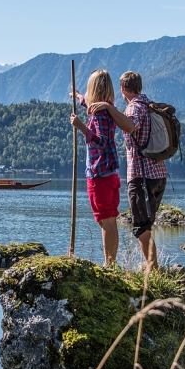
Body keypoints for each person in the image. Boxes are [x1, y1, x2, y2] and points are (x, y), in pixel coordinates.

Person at [92, 71, 166, 271]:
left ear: (123, 89)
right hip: (159, 175)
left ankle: (153, 271)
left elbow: (130, 125)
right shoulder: (149, 105)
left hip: (142, 176)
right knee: (146, 225)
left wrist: (107, 106)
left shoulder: (134, 107)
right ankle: (152, 267)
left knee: (142, 228)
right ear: (139, 87)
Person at [69, 69, 121, 267]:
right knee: (108, 219)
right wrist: (78, 96)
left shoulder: (99, 115)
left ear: (95, 88)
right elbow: (89, 105)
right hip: (111, 173)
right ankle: (111, 262)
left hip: (100, 174)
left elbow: (101, 142)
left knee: (106, 220)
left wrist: (81, 126)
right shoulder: (107, 109)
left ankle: (110, 265)